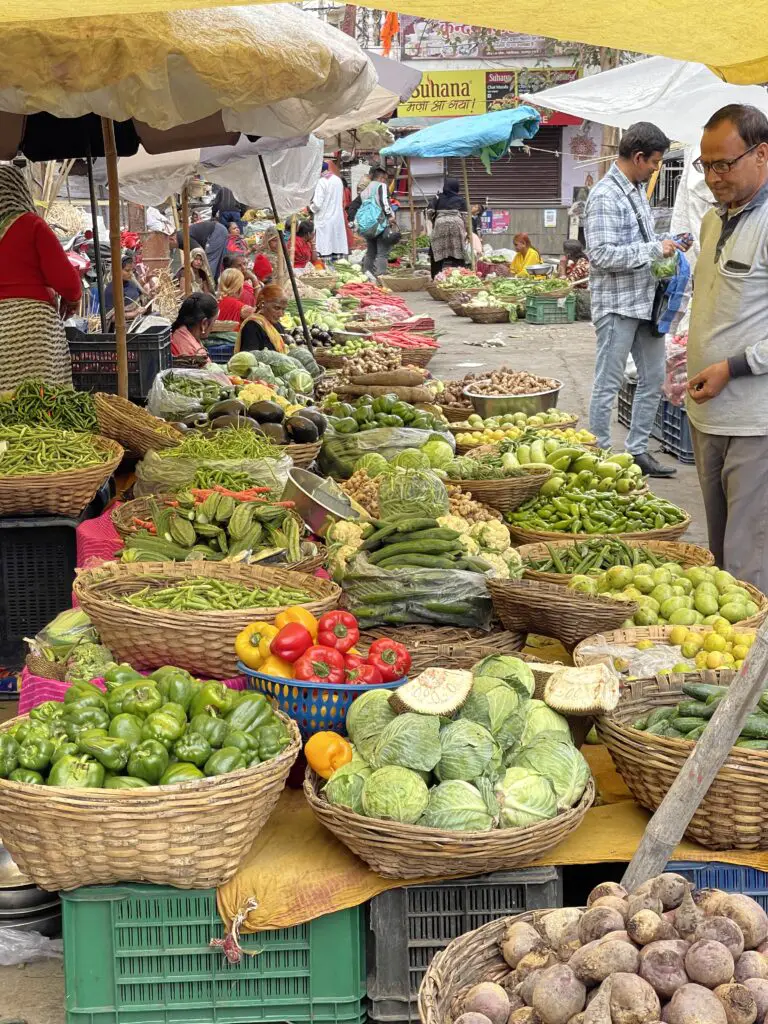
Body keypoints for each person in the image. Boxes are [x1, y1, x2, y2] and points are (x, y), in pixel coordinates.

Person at [685, 104, 768, 588]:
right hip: (707, 416)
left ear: (761, 154)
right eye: (706, 164)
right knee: (718, 558)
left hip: (754, 424)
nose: (714, 177)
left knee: (746, 562)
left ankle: (754, 660)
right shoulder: (714, 220)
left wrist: (733, 366)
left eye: (724, 164)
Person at [585, 121, 684, 478]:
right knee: (608, 381)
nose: (657, 168)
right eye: (655, 162)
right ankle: (598, 454)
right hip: (617, 304)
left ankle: (637, 451)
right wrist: (653, 248)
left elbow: (641, 239)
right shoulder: (605, 196)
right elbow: (601, 254)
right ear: (639, 157)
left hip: (646, 302)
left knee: (654, 377)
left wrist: (667, 243)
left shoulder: (636, 190)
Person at [0, 164, 82, 390]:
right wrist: (73, 298)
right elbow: (64, 278)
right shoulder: (31, 223)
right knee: (39, 399)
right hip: (33, 324)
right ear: (20, 189)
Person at [359, 168, 397, 277]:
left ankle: (367, 276)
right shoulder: (381, 186)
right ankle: (381, 277)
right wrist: (390, 216)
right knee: (382, 253)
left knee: (371, 252)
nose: (385, 182)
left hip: (368, 225)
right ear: (381, 178)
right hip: (380, 223)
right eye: (385, 179)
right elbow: (384, 202)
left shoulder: (365, 190)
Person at [428, 178, 467, 277]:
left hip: (440, 224)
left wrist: (434, 220)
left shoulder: (437, 197)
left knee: (437, 252)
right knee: (457, 252)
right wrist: (467, 232)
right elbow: (465, 217)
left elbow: (429, 211)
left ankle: (436, 277)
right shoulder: (461, 199)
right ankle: (458, 277)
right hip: (456, 225)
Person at [310, 163, 349, 260]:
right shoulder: (338, 180)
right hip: (337, 218)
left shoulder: (321, 182)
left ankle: (326, 266)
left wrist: (310, 208)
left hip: (324, 219)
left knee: (324, 247)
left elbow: (317, 204)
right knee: (336, 245)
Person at [171, 218, 228, 282]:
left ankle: (209, 286)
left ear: (172, 239)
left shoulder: (181, 238)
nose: (169, 248)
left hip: (216, 232)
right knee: (217, 263)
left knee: (208, 263)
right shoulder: (180, 237)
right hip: (219, 230)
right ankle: (214, 284)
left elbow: (200, 252)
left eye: (168, 245)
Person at [238, 284, 288, 354]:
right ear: (262, 304)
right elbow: (250, 357)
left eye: (283, 309)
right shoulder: (252, 326)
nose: (281, 314)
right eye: (277, 308)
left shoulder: (278, 326)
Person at [170, 292, 218, 359]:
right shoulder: (196, 355)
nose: (213, 327)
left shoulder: (179, 332)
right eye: (214, 321)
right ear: (204, 323)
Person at [104, 254, 146, 319]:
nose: (131, 273)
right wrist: (134, 314)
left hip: (138, 321)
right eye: (127, 270)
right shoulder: (111, 290)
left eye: (132, 270)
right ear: (116, 271)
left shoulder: (133, 284)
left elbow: (143, 304)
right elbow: (111, 318)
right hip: (125, 327)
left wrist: (150, 296)